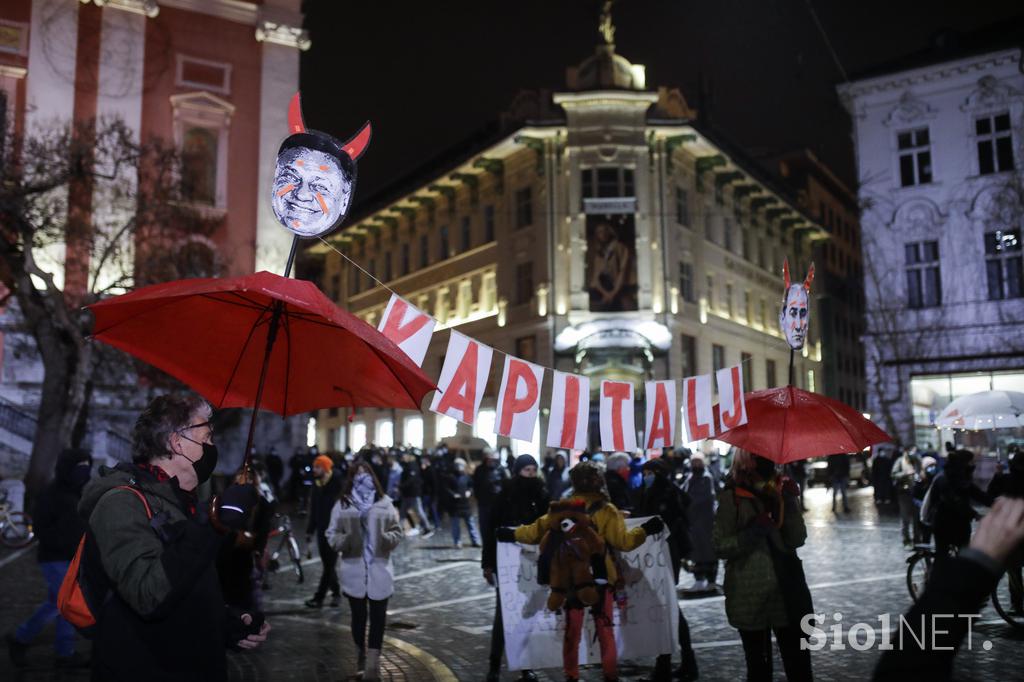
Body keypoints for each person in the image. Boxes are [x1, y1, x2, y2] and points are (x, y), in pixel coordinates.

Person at [76, 394, 268, 681]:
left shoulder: (183, 503)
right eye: (207, 436)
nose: (212, 446)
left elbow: (184, 586)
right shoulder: (120, 504)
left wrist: (225, 624)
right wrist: (213, 524)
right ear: (178, 443)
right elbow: (147, 593)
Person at [498, 462, 662, 682]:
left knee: (572, 631)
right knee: (605, 630)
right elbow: (624, 542)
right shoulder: (607, 510)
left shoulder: (563, 509)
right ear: (598, 482)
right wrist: (646, 530)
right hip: (602, 579)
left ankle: (572, 676)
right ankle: (610, 676)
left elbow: (534, 532)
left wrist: (510, 534)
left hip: (571, 579)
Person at [874, 497, 1024, 681]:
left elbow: (905, 663)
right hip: (946, 528)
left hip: (959, 531)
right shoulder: (947, 480)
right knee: (944, 559)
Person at [713, 449, 812, 682]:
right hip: (749, 597)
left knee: (799, 666)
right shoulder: (732, 497)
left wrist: (788, 502)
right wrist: (753, 532)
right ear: (746, 461)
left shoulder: (778, 490)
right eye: (758, 456)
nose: (765, 461)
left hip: (786, 594)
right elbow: (719, 546)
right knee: (758, 668)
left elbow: (797, 538)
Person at [6, 448, 93, 669]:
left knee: (56, 604)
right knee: (66, 605)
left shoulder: (77, 493)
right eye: (79, 468)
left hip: (70, 558)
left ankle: (22, 639)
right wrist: (66, 541)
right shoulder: (51, 494)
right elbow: (42, 528)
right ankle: (63, 653)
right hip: (55, 559)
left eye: (86, 467)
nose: (84, 472)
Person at [325, 460, 404, 681]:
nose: (362, 478)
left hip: (380, 570)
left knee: (378, 620)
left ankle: (372, 665)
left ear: (373, 476)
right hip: (353, 571)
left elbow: (397, 532)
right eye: (357, 474)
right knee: (359, 620)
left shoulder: (385, 503)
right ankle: (360, 652)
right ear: (351, 478)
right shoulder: (343, 504)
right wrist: (348, 541)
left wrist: (383, 539)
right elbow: (331, 534)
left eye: (366, 473)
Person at [481, 455, 549, 682]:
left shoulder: (542, 495)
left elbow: (548, 525)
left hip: (533, 564)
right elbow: (490, 529)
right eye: (526, 470)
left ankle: (525, 666)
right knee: (503, 614)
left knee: (528, 615)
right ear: (517, 471)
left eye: (533, 470)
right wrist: (487, 563)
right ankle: (494, 665)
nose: (530, 474)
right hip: (507, 563)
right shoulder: (505, 495)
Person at [636, 459, 699, 682]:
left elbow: (669, 521)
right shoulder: (648, 491)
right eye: (644, 472)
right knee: (668, 608)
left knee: (668, 607)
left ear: (660, 473)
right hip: (656, 555)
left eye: (650, 472)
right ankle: (682, 663)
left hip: (667, 554)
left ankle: (668, 664)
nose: (646, 476)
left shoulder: (667, 493)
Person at [921, 449, 992, 561]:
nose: (973, 465)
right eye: (970, 462)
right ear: (963, 463)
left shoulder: (962, 477)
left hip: (960, 524)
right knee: (942, 557)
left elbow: (977, 494)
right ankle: (938, 576)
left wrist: (996, 503)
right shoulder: (944, 479)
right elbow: (954, 501)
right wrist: (974, 514)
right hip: (943, 524)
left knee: (963, 557)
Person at [305, 454, 343, 608]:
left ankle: (319, 598)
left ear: (326, 468)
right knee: (328, 564)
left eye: (318, 467)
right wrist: (310, 531)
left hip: (335, 531)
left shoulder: (338, 484)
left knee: (329, 565)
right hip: (321, 529)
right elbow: (314, 509)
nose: (314, 469)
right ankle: (336, 593)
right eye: (314, 466)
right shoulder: (317, 484)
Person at [683, 452, 718, 592]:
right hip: (694, 521)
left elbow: (706, 497)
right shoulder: (690, 477)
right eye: (694, 462)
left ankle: (711, 580)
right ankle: (699, 579)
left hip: (705, 521)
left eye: (698, 461)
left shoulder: (706, 478)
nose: (696, 464)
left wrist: (688, 501)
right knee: (697, 553)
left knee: (709, 551)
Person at [473, 449, 509, 543]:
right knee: (484, 527)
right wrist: (479, 497)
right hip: (483, 503)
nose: (490, 460)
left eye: (493, 458)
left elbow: (506, 486)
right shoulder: (479, 469)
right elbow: (475, 485)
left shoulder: (501, 469)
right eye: (488, 458)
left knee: (496, 526)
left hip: (497, 504)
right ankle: (486, 545)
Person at [398, 452, 434, 537]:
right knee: (402, 512)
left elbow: (411, 480)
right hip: (407, 493)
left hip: (413, 493)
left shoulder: (413, 466)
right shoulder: (407, 466)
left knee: (419, 511)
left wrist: (401, 486)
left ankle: (427, 528)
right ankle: (399, 529)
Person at [446, 458, 480, 548]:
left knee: (470, 523)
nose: (459, 467)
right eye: (457, 465)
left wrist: (469, 491)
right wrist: (453, 494)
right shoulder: (450, 477)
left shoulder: (466, 477)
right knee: (455, 525)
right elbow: (446, 488)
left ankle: (475, 540)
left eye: (460, 465)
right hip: (455, 504)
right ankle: (457, 541)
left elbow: (471, 486)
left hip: (465, 504)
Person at [891, 449, 920, 548]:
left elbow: (920, 471)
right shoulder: (900, 461)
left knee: (917, 518)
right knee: (905, 518)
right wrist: (905, 473)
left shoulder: (917, 461)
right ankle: (906, 539)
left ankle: (917, 539)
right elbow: (894, 474)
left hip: (916, 493)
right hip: (904, 493)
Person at [913, 456, 937, 545]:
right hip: (922, 509)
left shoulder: (936, 479)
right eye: (930, 466)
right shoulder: (919, 479)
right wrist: (921, 504)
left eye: (934, 466)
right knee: (925, 533)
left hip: (933, 511)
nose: (933, 468)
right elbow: (914, 495)